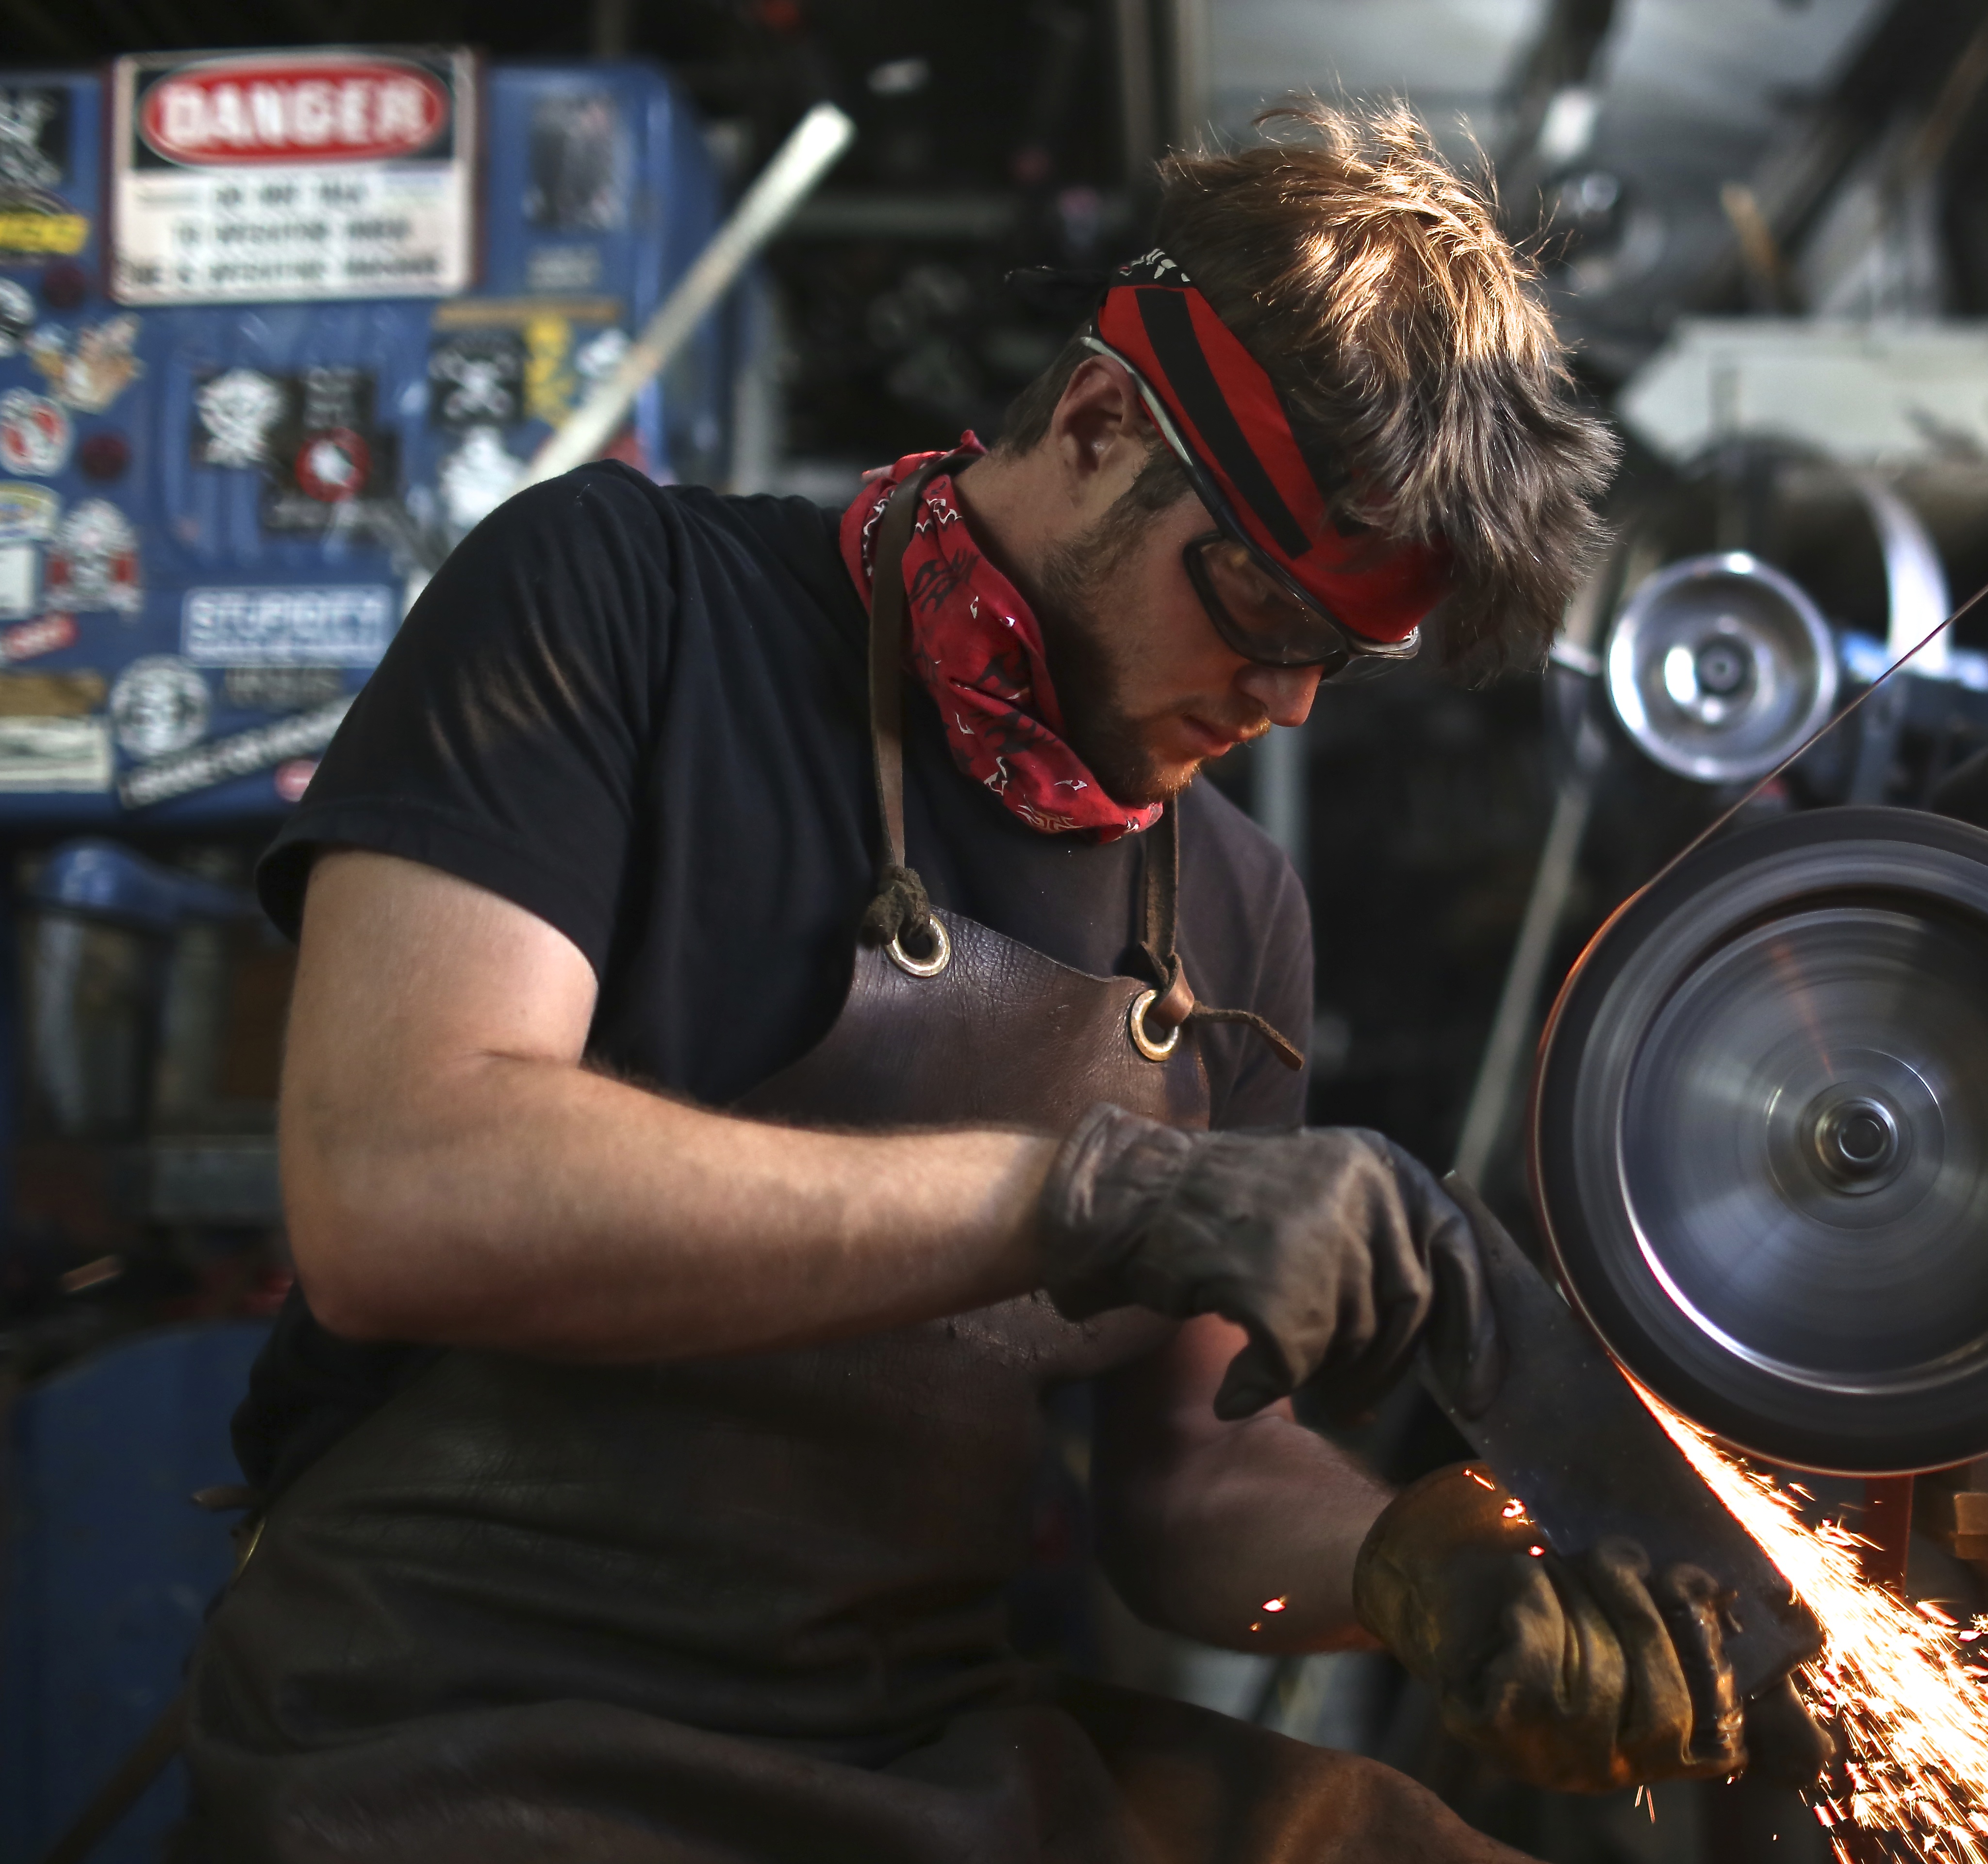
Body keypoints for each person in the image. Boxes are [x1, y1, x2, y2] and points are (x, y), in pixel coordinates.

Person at [177, 104, 1786, 1863]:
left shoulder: (1231, 912)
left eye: (1337, 659)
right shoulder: (621, 607)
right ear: (1100, 425)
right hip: (455, 1731)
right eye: (1258, 608)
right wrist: (1087, 1196)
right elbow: (401, 1188)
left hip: (903, 1752)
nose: (1287, 700)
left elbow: (1183, 1491)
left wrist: (1413, 1568)